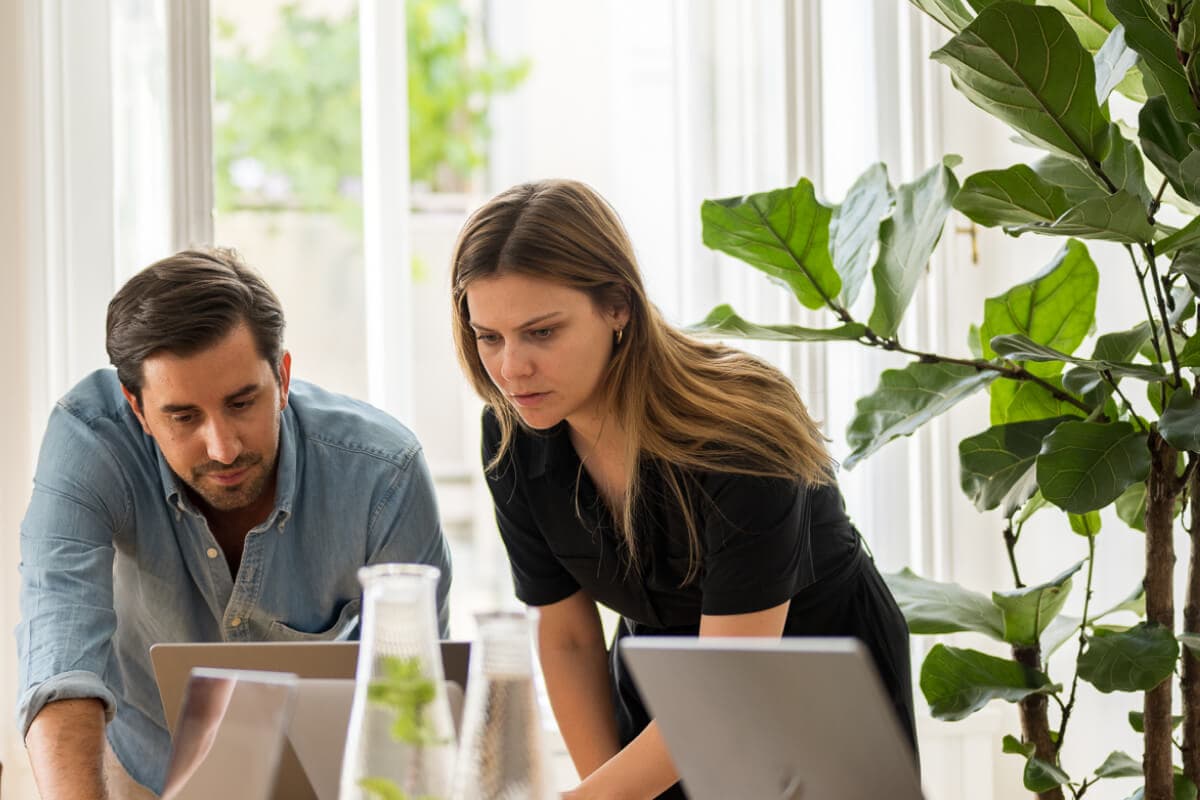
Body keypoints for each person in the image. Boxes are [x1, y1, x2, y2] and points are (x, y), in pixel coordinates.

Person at [450, 179, 917, 799]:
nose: (512, 368)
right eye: (490, 337)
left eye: (542, 332)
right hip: (664, 686)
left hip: (808, 680)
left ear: (618, 305)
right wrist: (601, 790)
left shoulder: (744, 431)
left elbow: (730, 679)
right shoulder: (513, 436)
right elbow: (567, 637)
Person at [17, 248, 453, 800]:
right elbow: (60, 650)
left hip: (323, 778)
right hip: (144, 764)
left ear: (283, 376)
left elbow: (411, 704)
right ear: (137, 408)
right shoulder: (89, 440)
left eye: (243, 402)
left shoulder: (383, 475)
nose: (223, 448)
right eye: (183, 417)